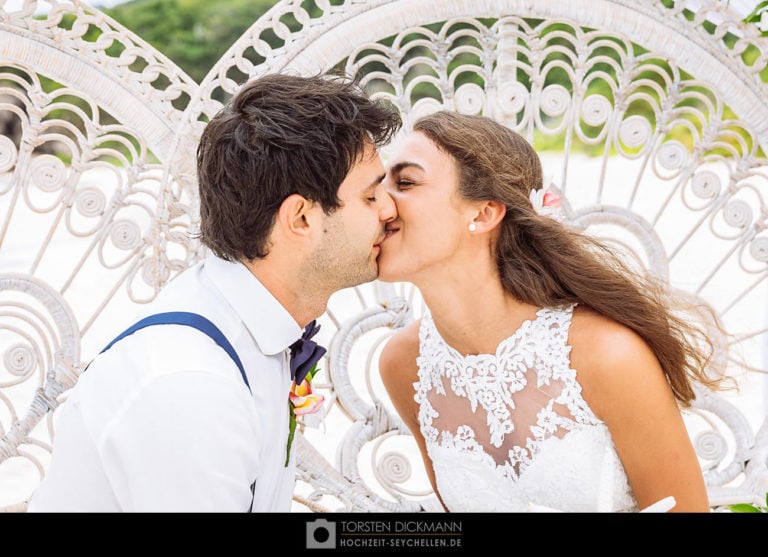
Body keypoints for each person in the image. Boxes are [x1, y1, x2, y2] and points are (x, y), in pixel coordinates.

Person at [27, 72, 402, 512]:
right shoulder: (190, 387)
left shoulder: (243, 321)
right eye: (371, 196)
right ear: (300, 218)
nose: (390, 209)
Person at [377, 110, 726, 513]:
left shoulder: (607, 355)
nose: (381, 203)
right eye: (379, 185)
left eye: (405, 182)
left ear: (484, 213)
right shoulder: (404, 366)